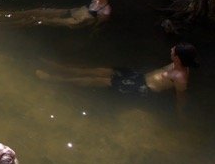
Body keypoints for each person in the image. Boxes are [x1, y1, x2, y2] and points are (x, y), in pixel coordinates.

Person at [35, 43, 199, 112]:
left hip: (140, 87)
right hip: (139, 77)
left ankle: (55, 79)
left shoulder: (180, 78)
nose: (171, 50)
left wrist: (181, 116)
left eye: (173, 51)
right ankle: (61, 68)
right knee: (99, 71)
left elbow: (181, 97)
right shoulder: (177, 65)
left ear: (178, 58)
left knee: (98, 80)